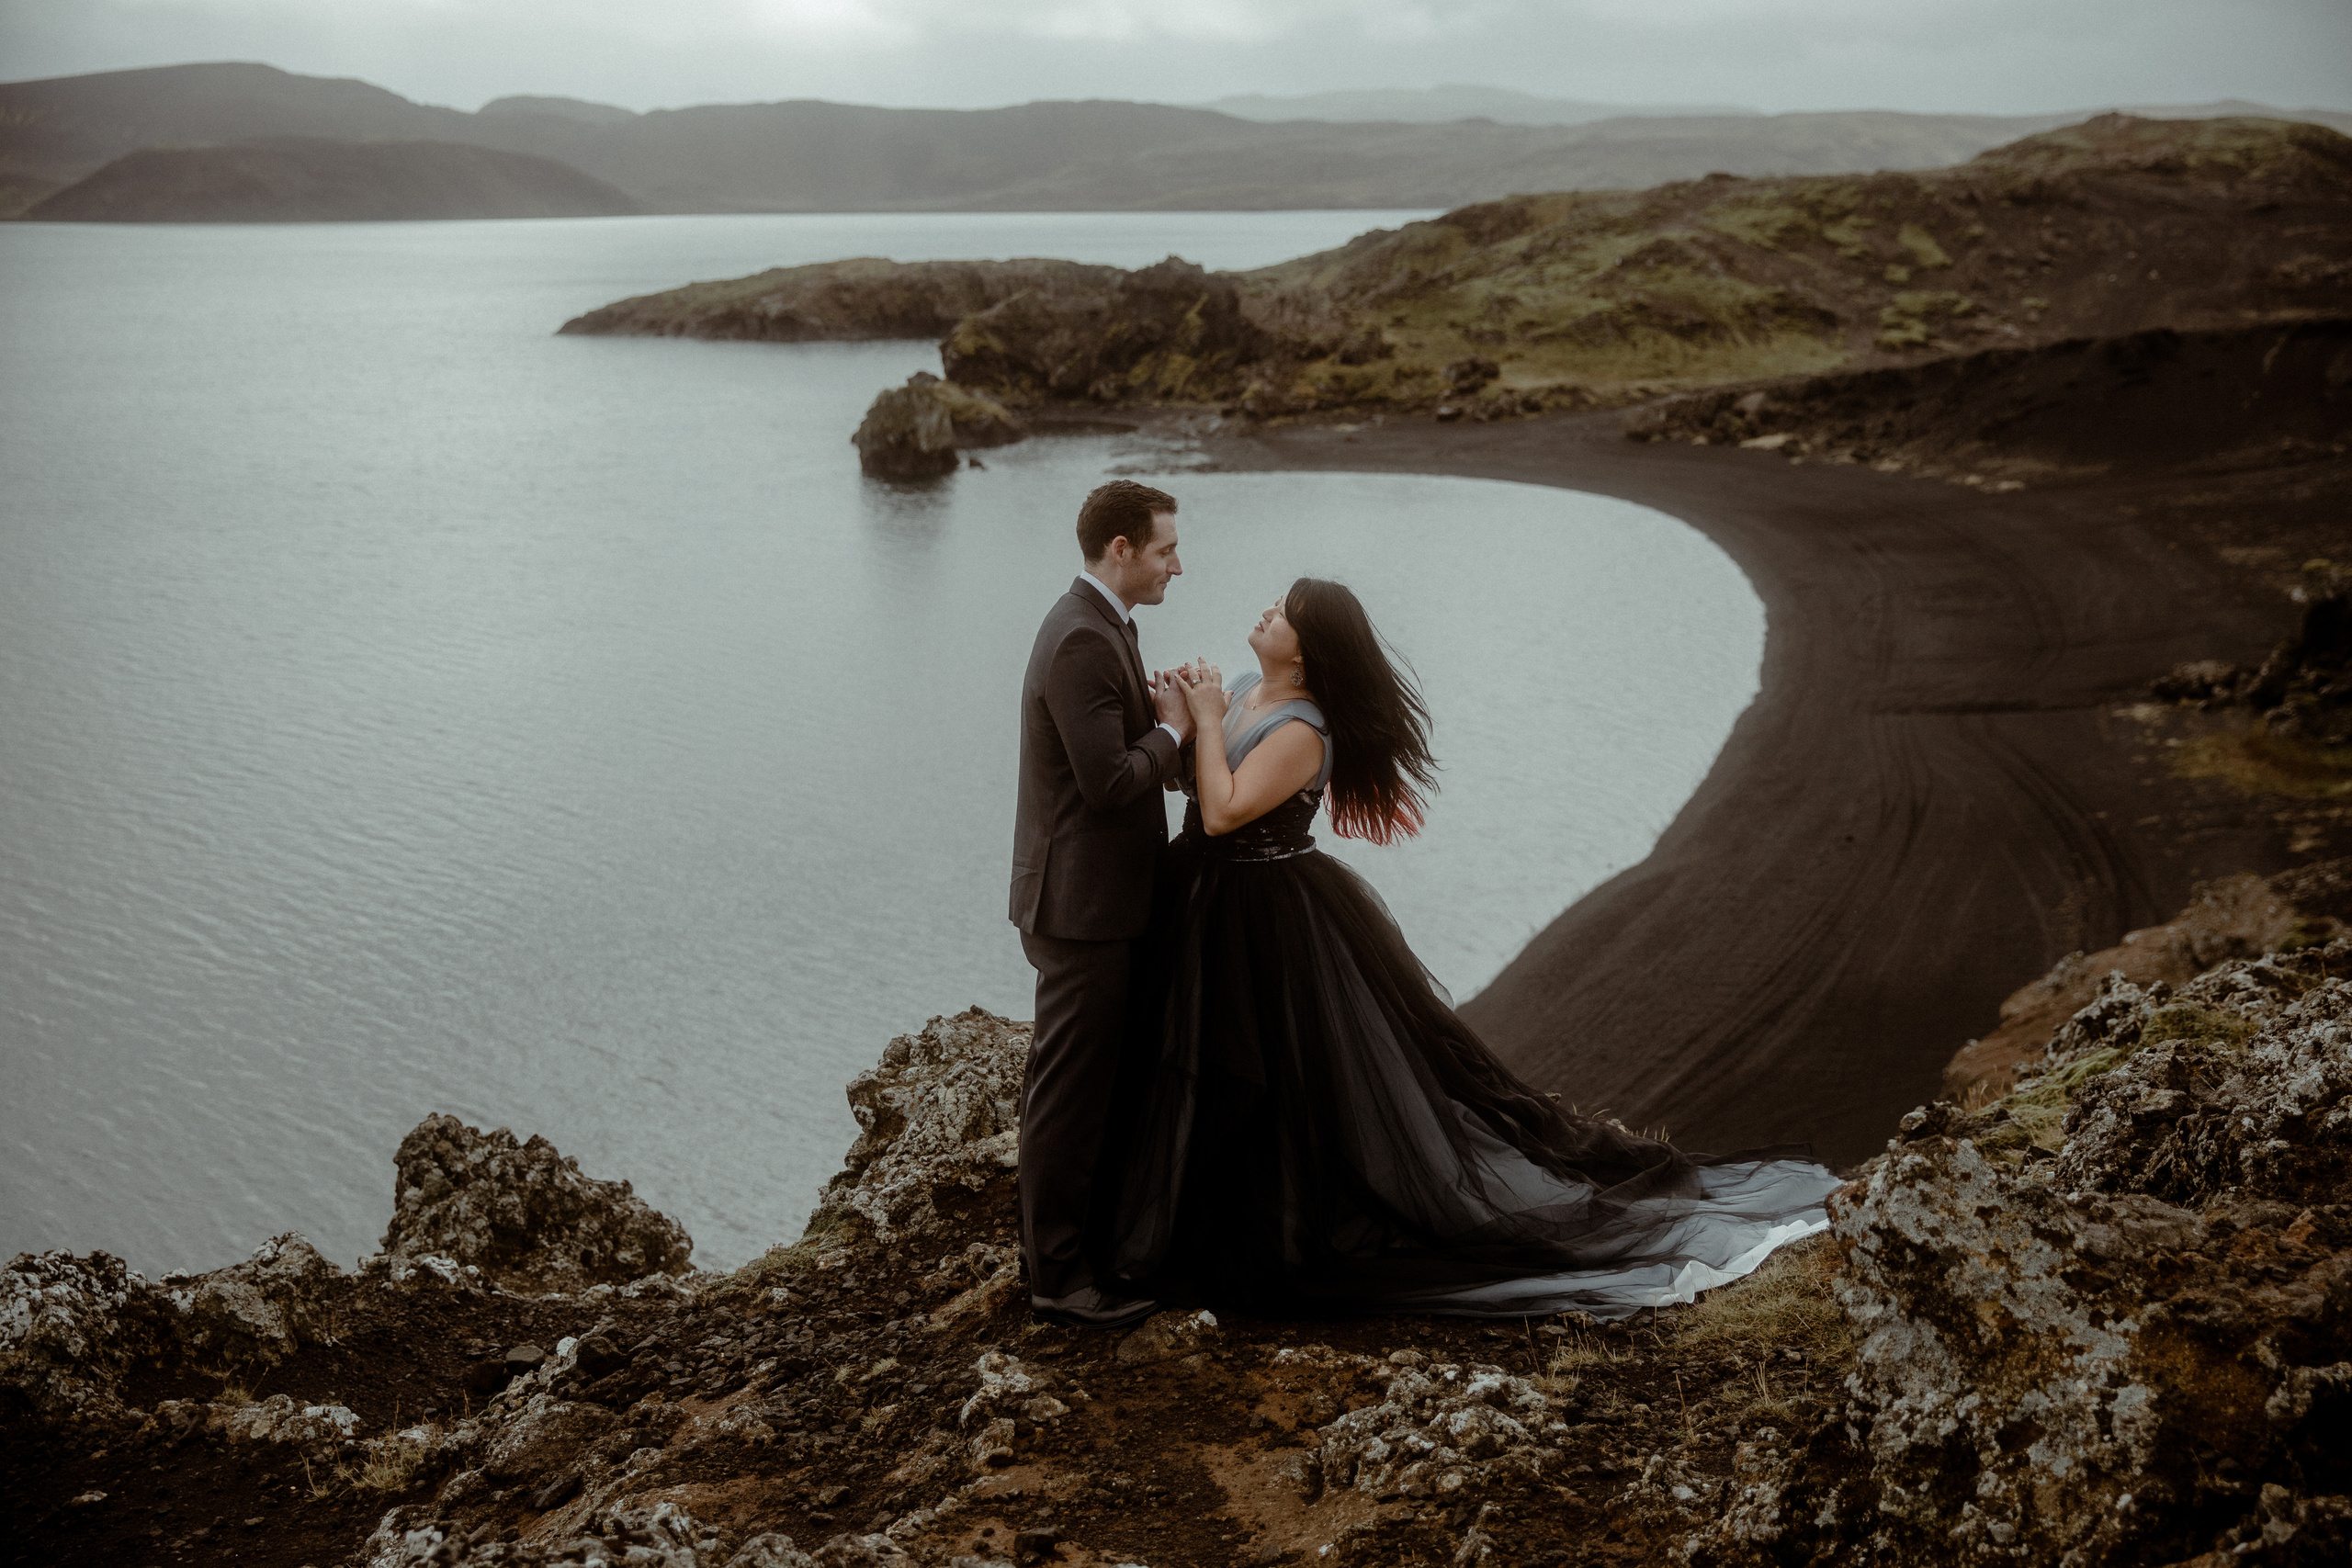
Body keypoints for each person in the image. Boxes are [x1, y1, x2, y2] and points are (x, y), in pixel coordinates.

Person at [1107, 579, 1841, 1319]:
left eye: (1285, 614)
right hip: (1201, 903)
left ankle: (1265, 1230)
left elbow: (1230, 810)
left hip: (1264, 919)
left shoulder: (1305, 730)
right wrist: (1180, 723)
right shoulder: (1240, 690)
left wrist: (1200, 718)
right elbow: (1197, 788)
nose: (1266, 612)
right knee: (1190, 1066)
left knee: (1268, 1078)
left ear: (1306, 652)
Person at [1009, 479, 1195, 1330]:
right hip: (1080, 909)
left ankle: (1074, 1254)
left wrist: (1156, 724)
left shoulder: (1102, 623)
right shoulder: (1082, 639)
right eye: (1165, 550)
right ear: (1120, 549)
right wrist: (1177, 732)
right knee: (1068, 1093)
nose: (1177, 566)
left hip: (1098, 900)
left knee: (1082, 1083)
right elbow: (1111, 782)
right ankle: (1056, 1279)